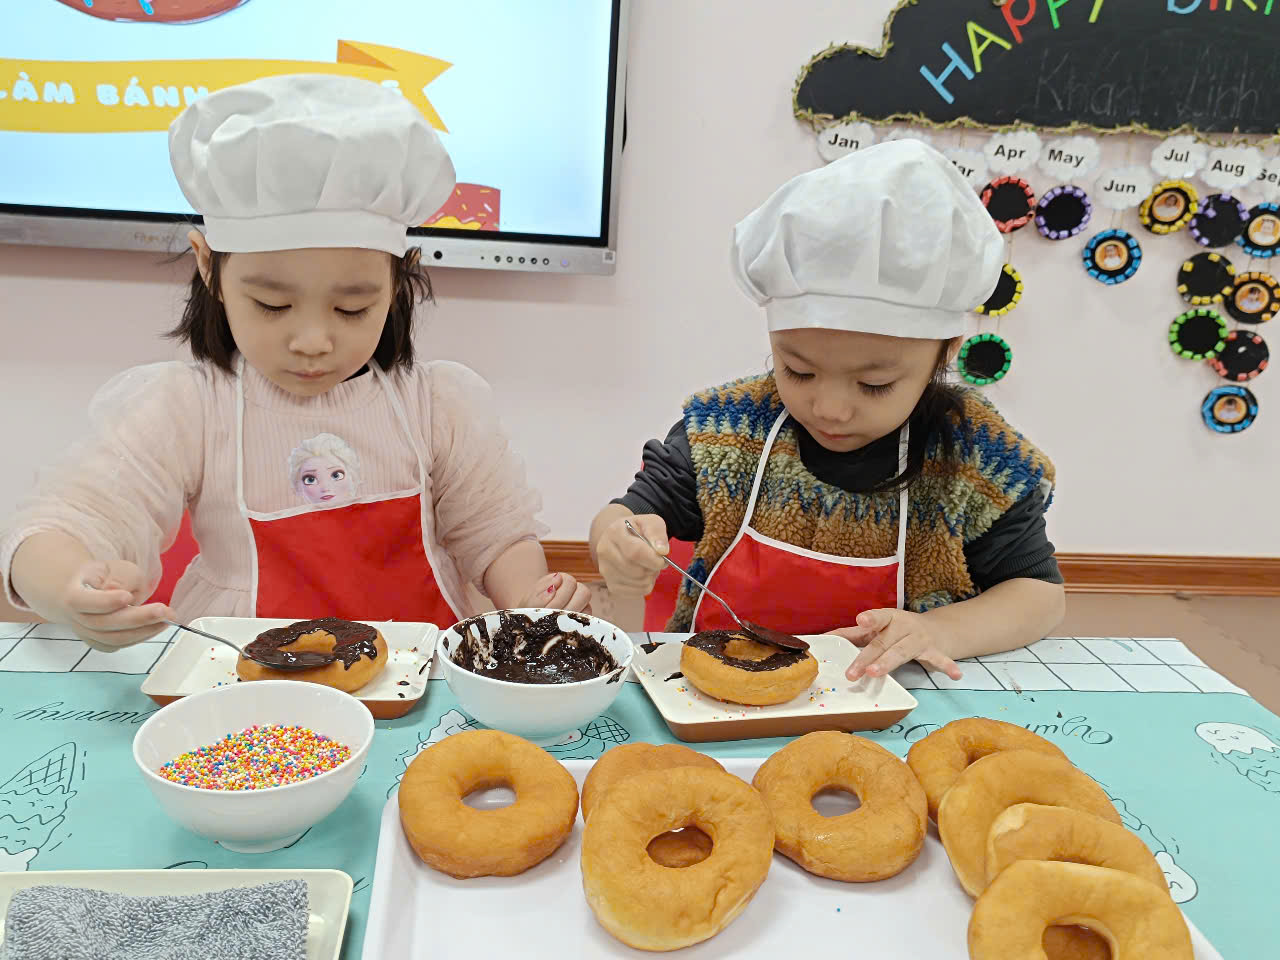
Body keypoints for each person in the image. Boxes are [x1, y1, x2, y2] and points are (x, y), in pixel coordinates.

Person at [0, 74, 589, 650]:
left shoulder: (439, 404)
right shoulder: (187, 407)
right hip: (240, 688)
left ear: (399, 275)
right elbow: (72, 517)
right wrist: (70, 586)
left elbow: (494, 538)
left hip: (420, 685)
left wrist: (533, 600)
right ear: (209, 268)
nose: (312, 340)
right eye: (273, 304)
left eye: (352, 307)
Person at [590, 140, 1065, 682]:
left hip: (894, 703)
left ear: (946, 350)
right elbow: (624, 514)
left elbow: (1039, 597)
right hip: (715, 696)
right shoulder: (726, 431)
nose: (830, 408)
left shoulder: (976, 456)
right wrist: (619, 540)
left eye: (874, 383)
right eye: (798, 371)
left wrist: (942, 630)